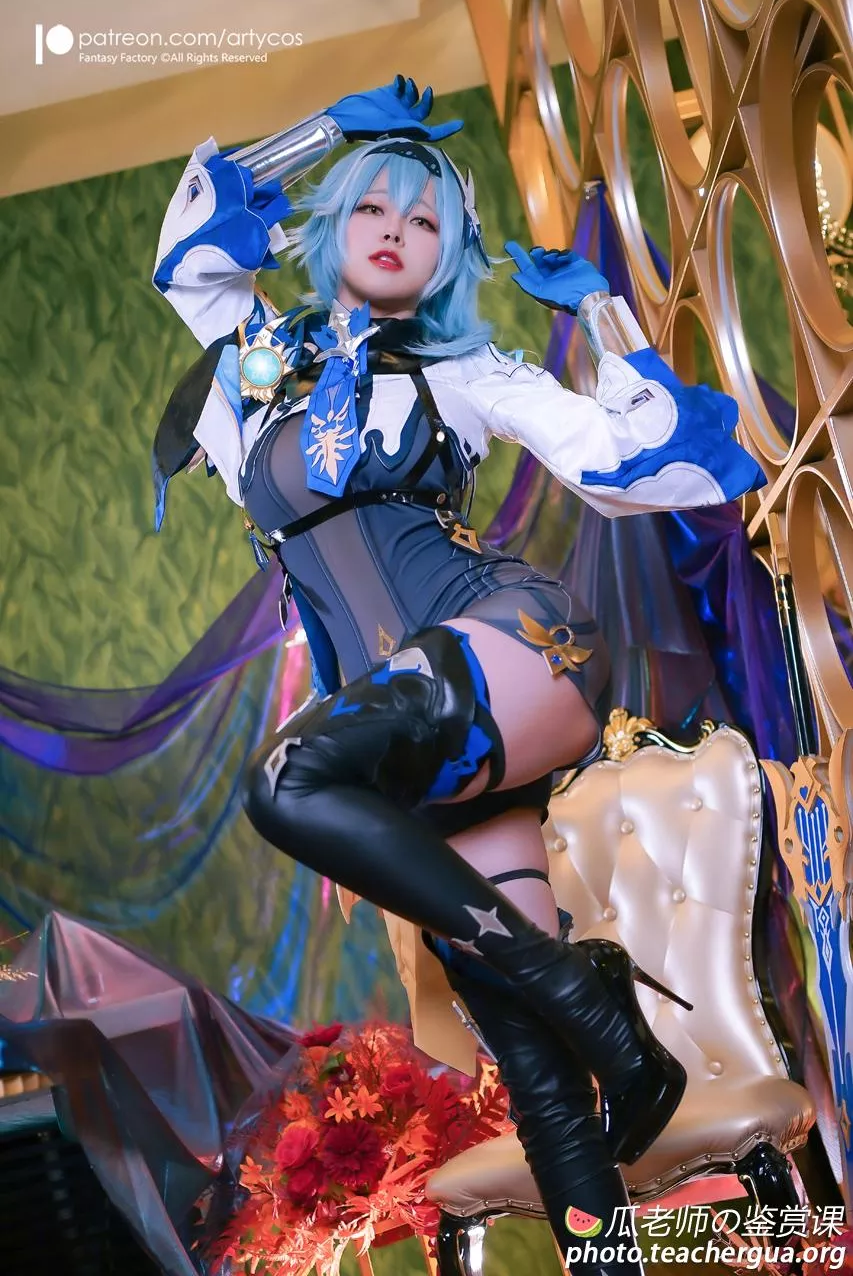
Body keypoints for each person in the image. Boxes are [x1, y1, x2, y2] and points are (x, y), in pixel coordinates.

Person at [152, 76, 765, 1273]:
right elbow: (191, 238)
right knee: (535, 1073)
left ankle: (590, 995)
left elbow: (651, 465)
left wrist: (605, 317)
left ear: (448, 254)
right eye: (371, 204)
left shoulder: (466, 371)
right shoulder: (250, 371)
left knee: (287, 778)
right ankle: (596, 1091)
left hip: (514, 647)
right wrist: (334, 128)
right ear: (331, 224)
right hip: (413, 740)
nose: (394, 227)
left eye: (424, 216)